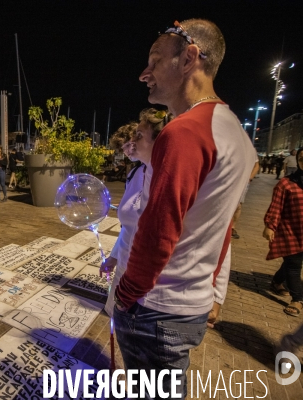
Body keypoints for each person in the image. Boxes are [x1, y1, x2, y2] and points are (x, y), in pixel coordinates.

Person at [112, 19, 256, 397]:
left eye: (156, 60)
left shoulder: (184, 132)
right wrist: (213, 291)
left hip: (155, 307)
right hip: (189, 305)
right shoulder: (237, 134)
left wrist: (126, 295)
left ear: (190, 57)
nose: (145, 73)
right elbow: (225, 226)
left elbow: (159, 229)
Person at [102, 111, 172, 316]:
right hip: (124, 264)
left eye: (135, 140)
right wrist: (113, 258)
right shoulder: (134, 173)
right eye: (123, 148)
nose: (127, 150)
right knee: (113, 317)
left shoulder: (163, 174)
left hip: (144, 277)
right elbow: (128, 227)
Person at [264, 148, 303, 316]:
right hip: (290, 231)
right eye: (302, 158)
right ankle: (297, 299)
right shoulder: (286, 183)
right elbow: (276, 207)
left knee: (291, 260)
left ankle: (277, 281)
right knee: (294, 265)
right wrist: (270, 226)